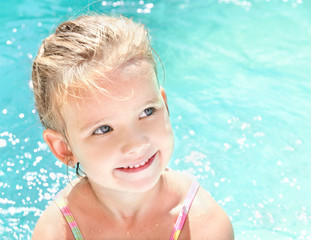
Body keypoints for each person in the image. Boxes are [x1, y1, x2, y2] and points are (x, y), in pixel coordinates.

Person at [31, 14, 234, 240]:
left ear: (164, 107)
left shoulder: (203, 225)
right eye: (103, 129)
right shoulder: (58, 231)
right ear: (64, 148)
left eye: (147, 112)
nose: (136, 144)